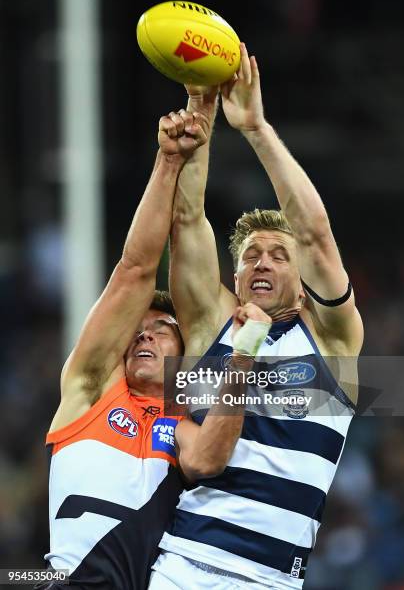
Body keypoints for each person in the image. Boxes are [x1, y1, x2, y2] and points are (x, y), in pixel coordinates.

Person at [149, 43, 364, 589]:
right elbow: (187, 218)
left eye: (277, 255)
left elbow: (314, 232)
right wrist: (199, 111)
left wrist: (255, 128)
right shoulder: (211, 326)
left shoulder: (334, 343)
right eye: (250, 256)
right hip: (184, 566)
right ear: (236, 275)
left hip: (274, 581)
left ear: (302, 276)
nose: (262, 263)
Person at [38, 107, 271, 590]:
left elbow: (208, 461)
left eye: (162, 328)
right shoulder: (90, 391)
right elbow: (135, 270)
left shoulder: (180, 423)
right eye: (137, 330)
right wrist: (167, 162)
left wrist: (243, 358)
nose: (143, 334)